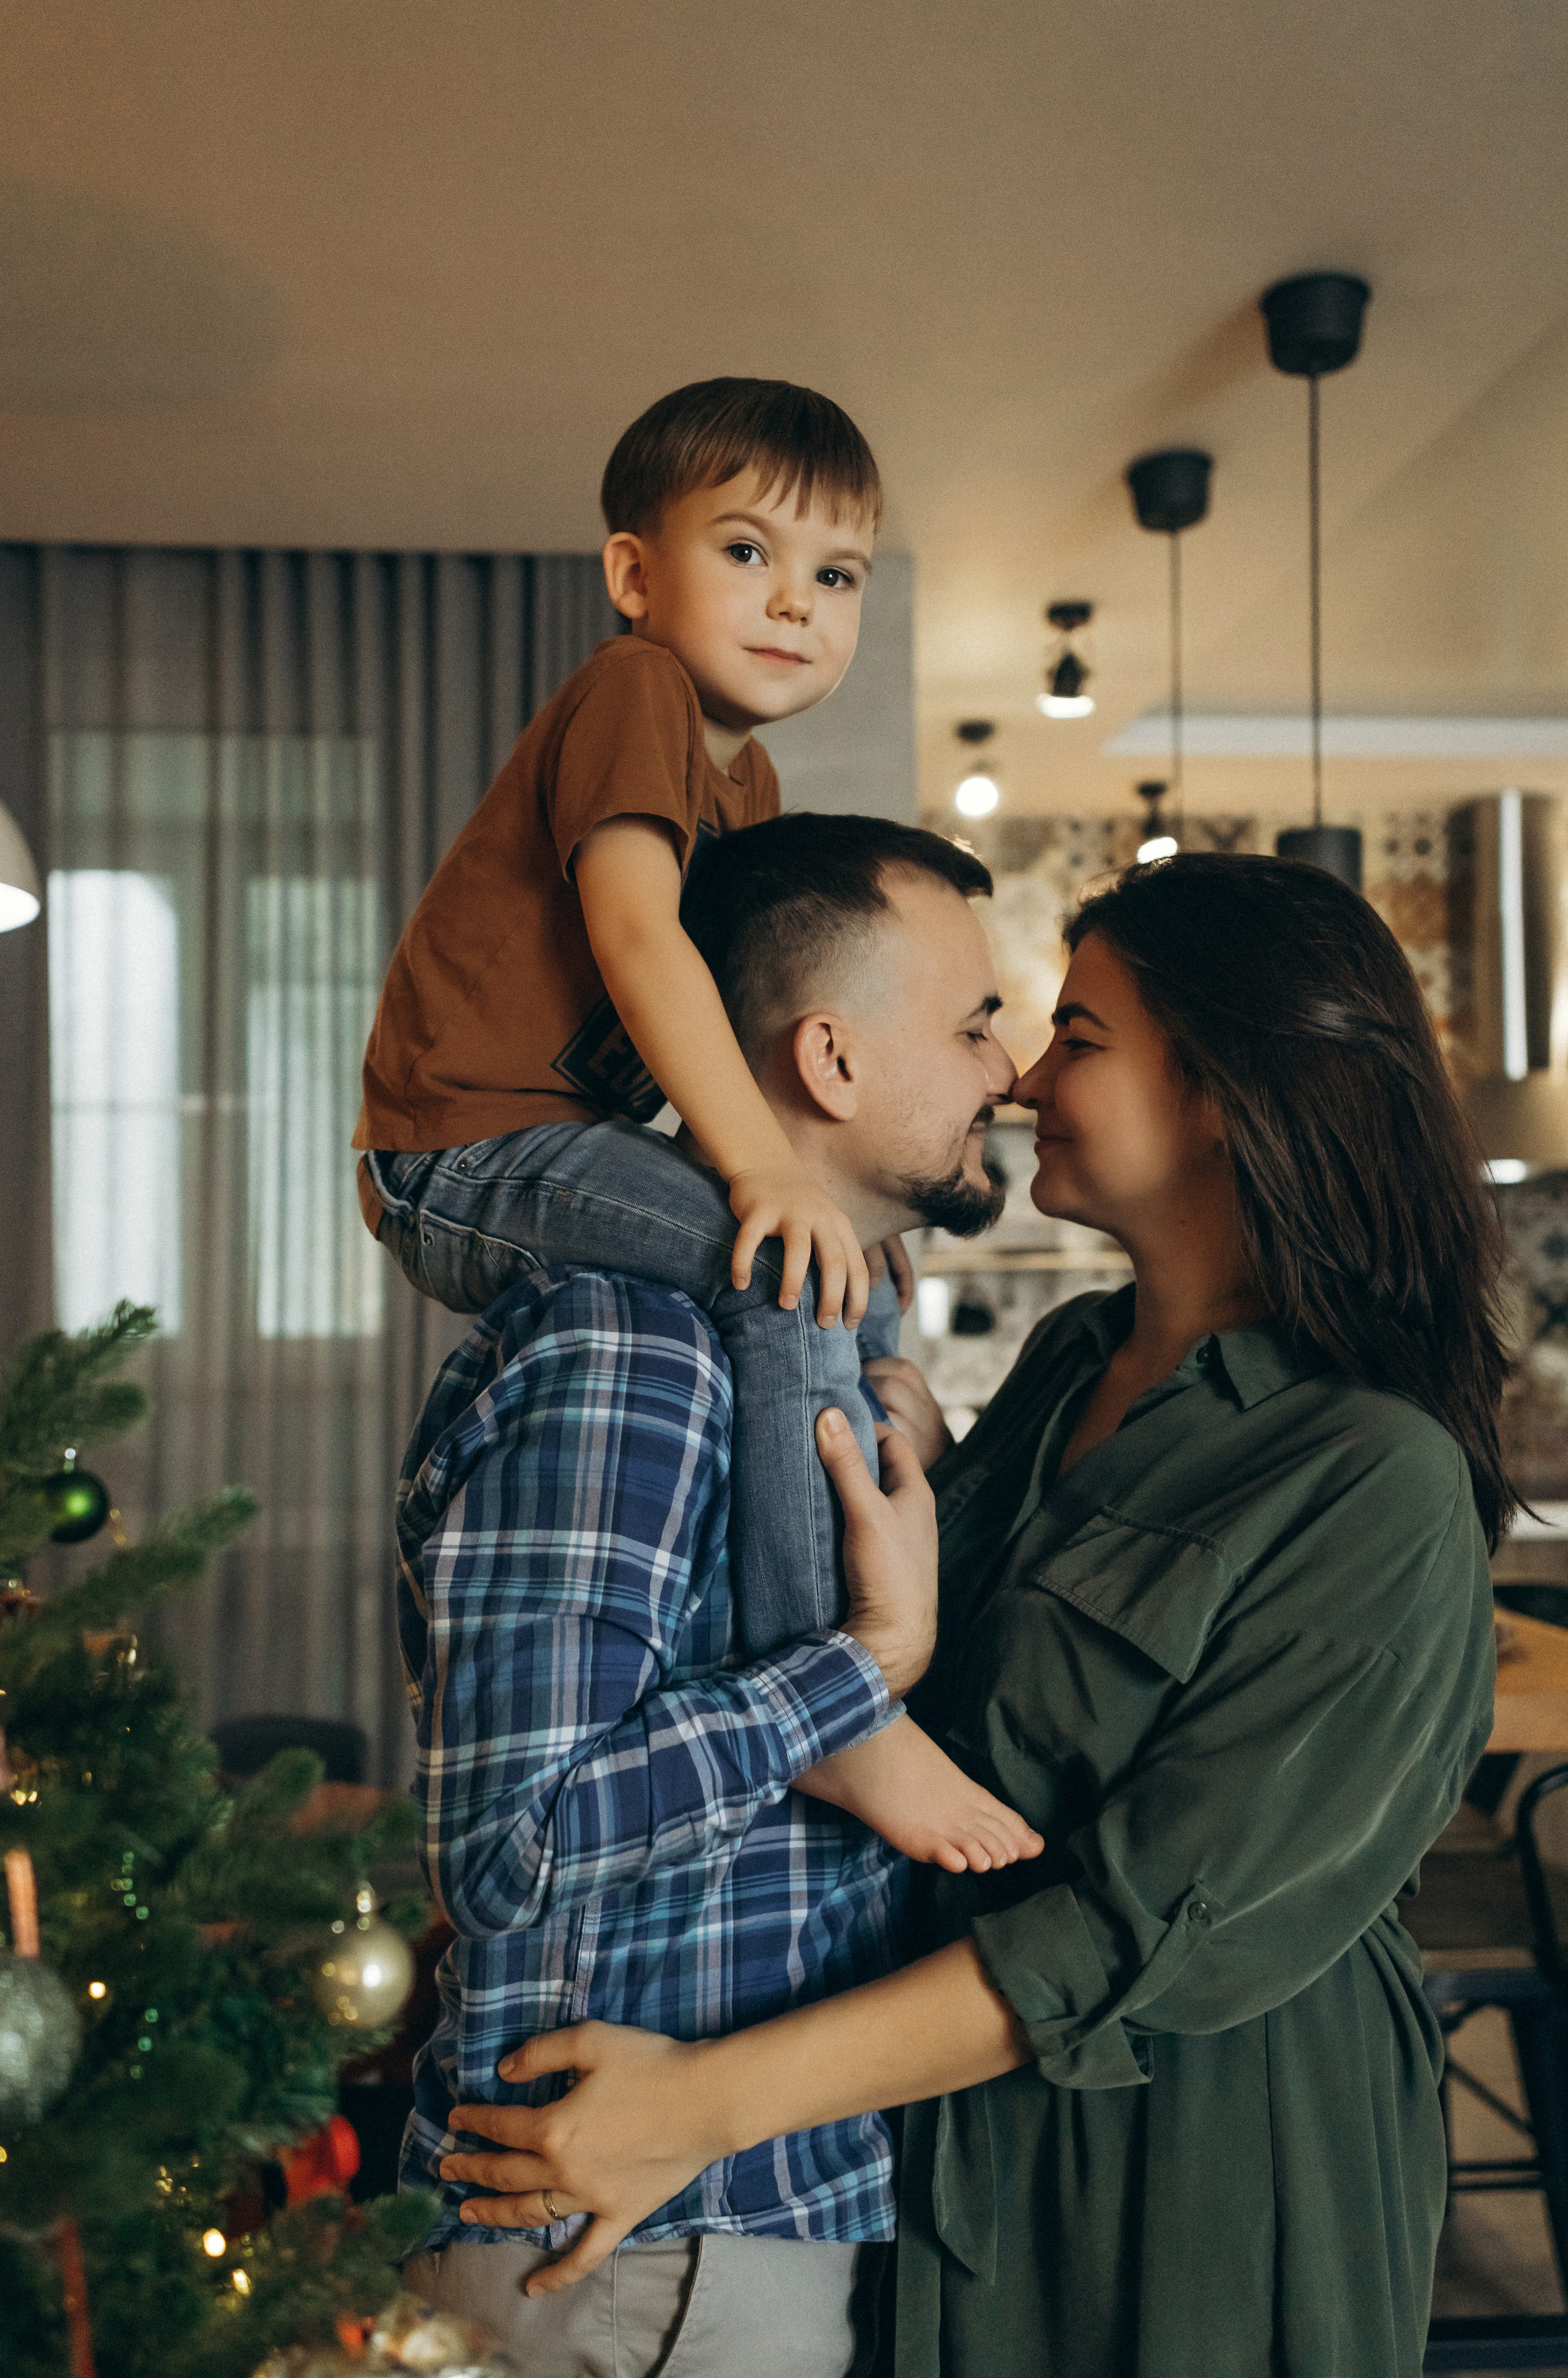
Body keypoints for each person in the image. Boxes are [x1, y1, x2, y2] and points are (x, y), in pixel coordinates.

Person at [438, 853, 1507, 2378]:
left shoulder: (1369, 1473)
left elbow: (1130, 1932)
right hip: (932, 2138)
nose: (1018, 1079)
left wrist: (704, 2102)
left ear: (1219, 1092)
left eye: (1074, 1037)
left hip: (1195, 2162)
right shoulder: (1075, 1362)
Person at [398, 814, 1040, 2376]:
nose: (1006, 1066)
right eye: (971, 1022)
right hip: (631, 2254)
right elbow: (508, 1847)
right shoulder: (636, 1347)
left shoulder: (816, 1351)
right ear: (825, 1058)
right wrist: (867, 1664)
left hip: (715, 2224)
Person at [356, 377, 995, 1865]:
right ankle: (834, 1709)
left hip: (544, 1149)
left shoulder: (746, 780)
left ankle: (890, 1503)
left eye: (833, 575)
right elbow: (644, 945)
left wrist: (831, 1214)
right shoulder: (632, 691)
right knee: (771, 1257)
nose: (795, 605)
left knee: (843, 1268)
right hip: (460, 1152)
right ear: (637, 574)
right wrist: (769, 1173)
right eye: (746, 554)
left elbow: (748, 1002)